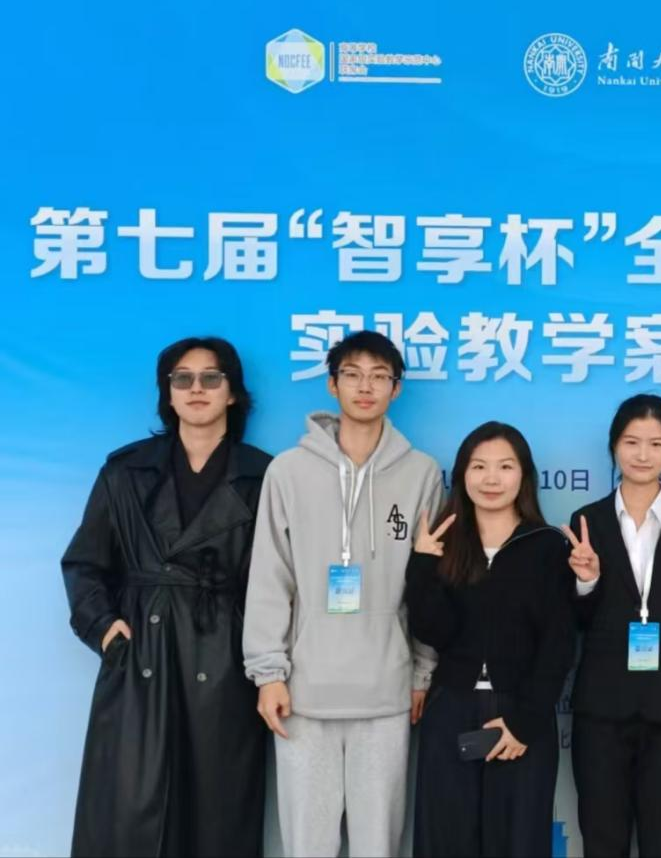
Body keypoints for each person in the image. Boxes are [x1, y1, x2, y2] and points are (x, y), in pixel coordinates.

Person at [62, 336, 271, 857]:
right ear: (168, 393)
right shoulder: (125, 471)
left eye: (211, 377)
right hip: (141, 652)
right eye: (183, 378)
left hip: (223, 654)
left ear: (232, 393)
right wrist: (106, 629)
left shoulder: (264, 475)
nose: (196, 389)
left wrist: (263, 657)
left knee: (218, 807)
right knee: (129, 808)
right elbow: (85, 563)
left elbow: (279, 579)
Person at [242, 331, 444, 857]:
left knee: (379, 843)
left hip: (386, 689)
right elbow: (270, 576)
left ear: (397, 389)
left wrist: (422, 671)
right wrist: (268, 673)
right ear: (332, 385)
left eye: (379, 376)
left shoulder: (421, 473)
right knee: (308, 843)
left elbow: (429, 583)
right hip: (305, 692)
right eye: (352, 375)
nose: (365, 387)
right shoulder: (288, 471)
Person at [406, 421, 574, 858]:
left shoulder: (548, 546)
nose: (491, 479)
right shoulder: (445, 542)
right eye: (479, 466)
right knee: (446, 839)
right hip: (452, 709)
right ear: (462, 474)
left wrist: (524, 722)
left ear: (524, 475)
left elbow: (557, 646)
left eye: (505, 466)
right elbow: (433, 631)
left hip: (522, 713)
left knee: (517, 841)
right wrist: (422, 565)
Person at [565, 394, 661, 857]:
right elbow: (576, 622)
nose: (642, 454)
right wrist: (587, 581)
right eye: (631, 442)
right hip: (600, 711)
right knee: (602, 839)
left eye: (656, 443)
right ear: (614, 446)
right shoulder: (586, 522)